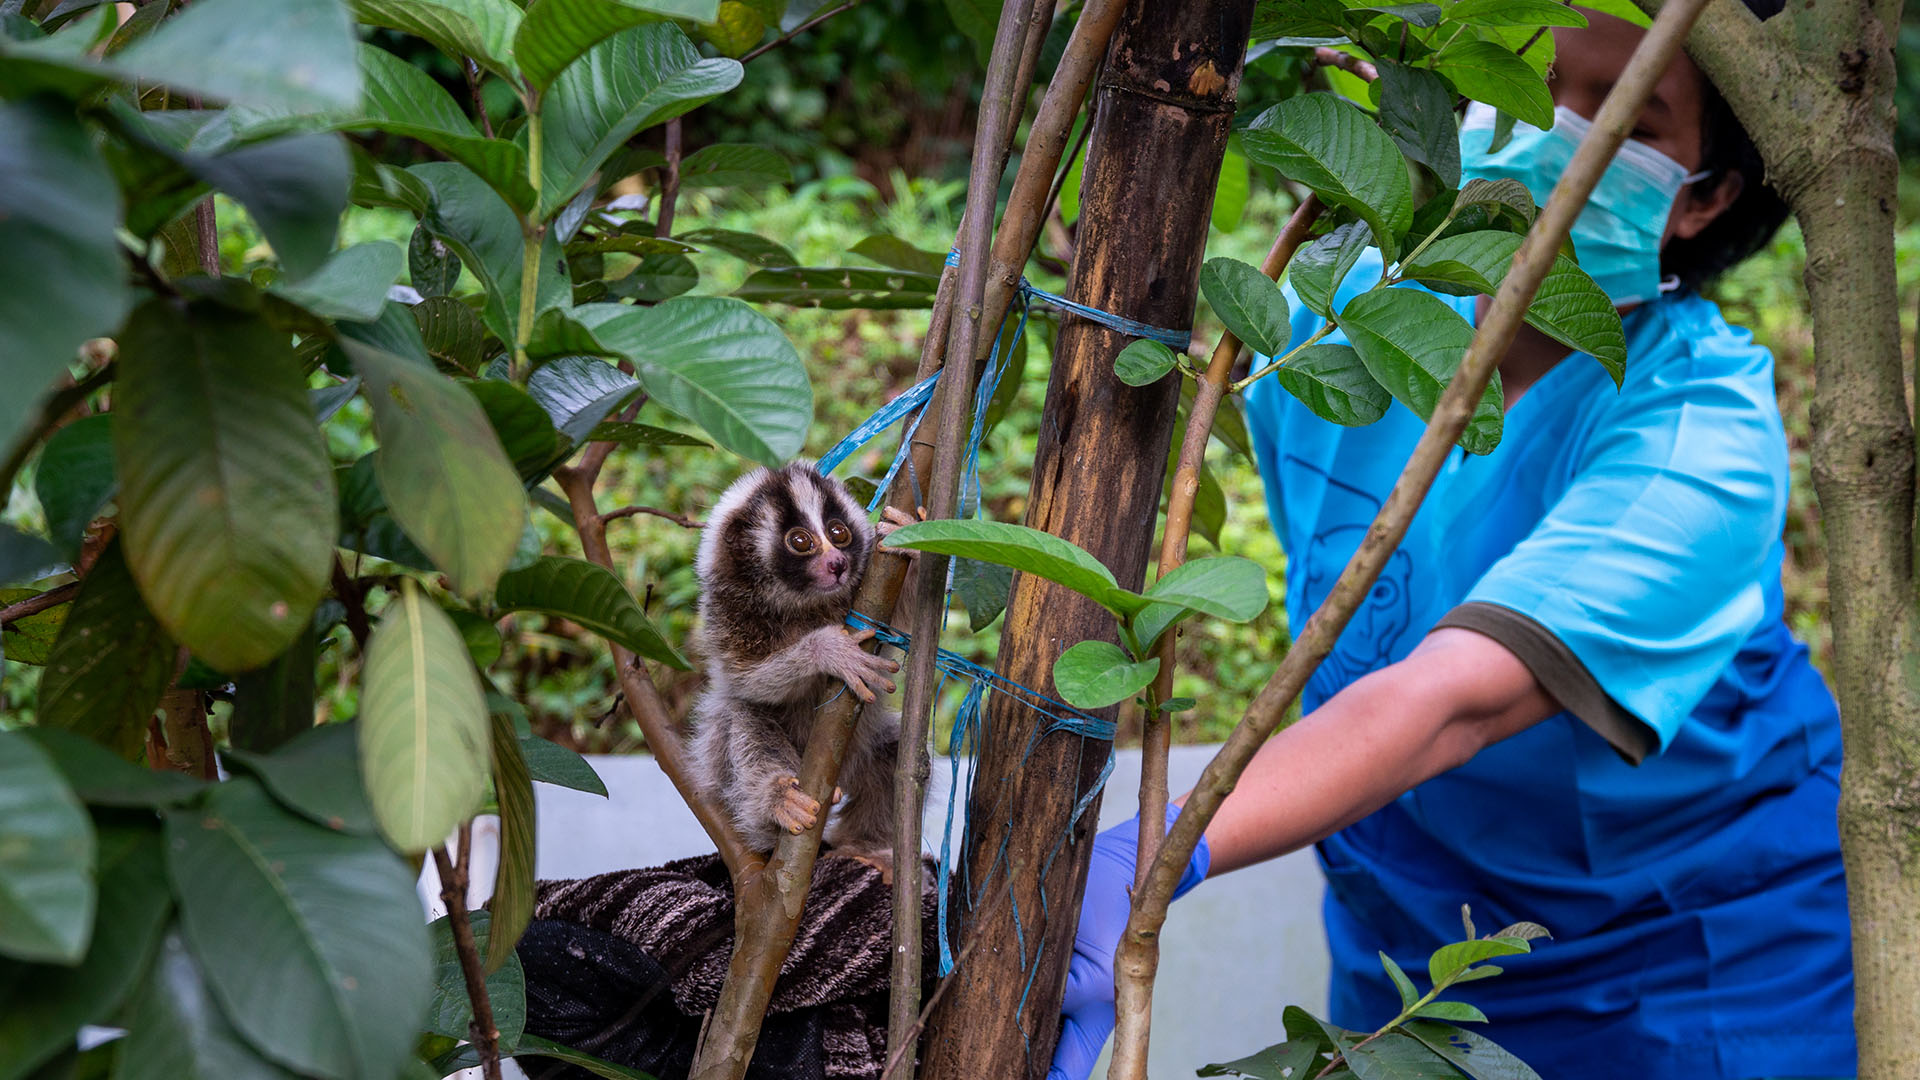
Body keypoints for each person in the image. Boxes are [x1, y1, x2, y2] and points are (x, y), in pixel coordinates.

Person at [1048, 6, 1857, 1080]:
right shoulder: (1340, 331)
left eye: (1624, 117)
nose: (1546, 139)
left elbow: (1450, 703)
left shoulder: (1700, 439)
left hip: (1686, 959)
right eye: (1534, 75)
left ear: (1706, 197)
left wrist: (1146, 861)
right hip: (1411, 927)